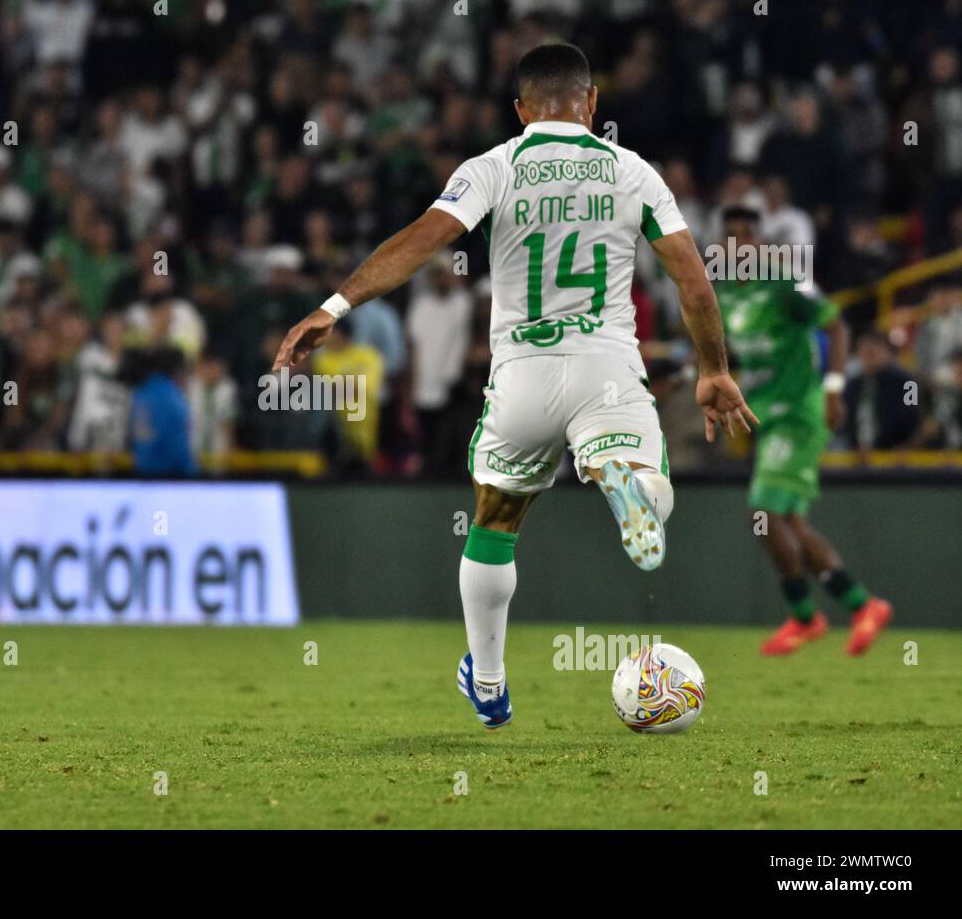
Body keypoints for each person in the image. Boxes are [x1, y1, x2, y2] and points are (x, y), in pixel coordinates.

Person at [274, 43, 756, 729]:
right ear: (592, 103)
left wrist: (334, 307)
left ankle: (491, 683)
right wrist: (713, 369)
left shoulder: (494, 166)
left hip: (522, 374)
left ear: (522, 110)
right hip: (607, 366)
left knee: (496, 524)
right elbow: (692, 279)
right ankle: (624, 480)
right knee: (652, 481)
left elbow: (420, 241)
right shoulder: (634, 172)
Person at [716, 207, 893, 656]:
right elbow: (739, 357)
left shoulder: (785, 282)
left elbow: (836, 327)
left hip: (799, 412)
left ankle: (804, 615)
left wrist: (834, 389)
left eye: (746, 236)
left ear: (760, 242)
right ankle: (861, 604)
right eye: (730, 237)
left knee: (762, 512)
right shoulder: (723, 293)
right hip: (765, 418)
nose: (739, 245)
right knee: (788, 520)